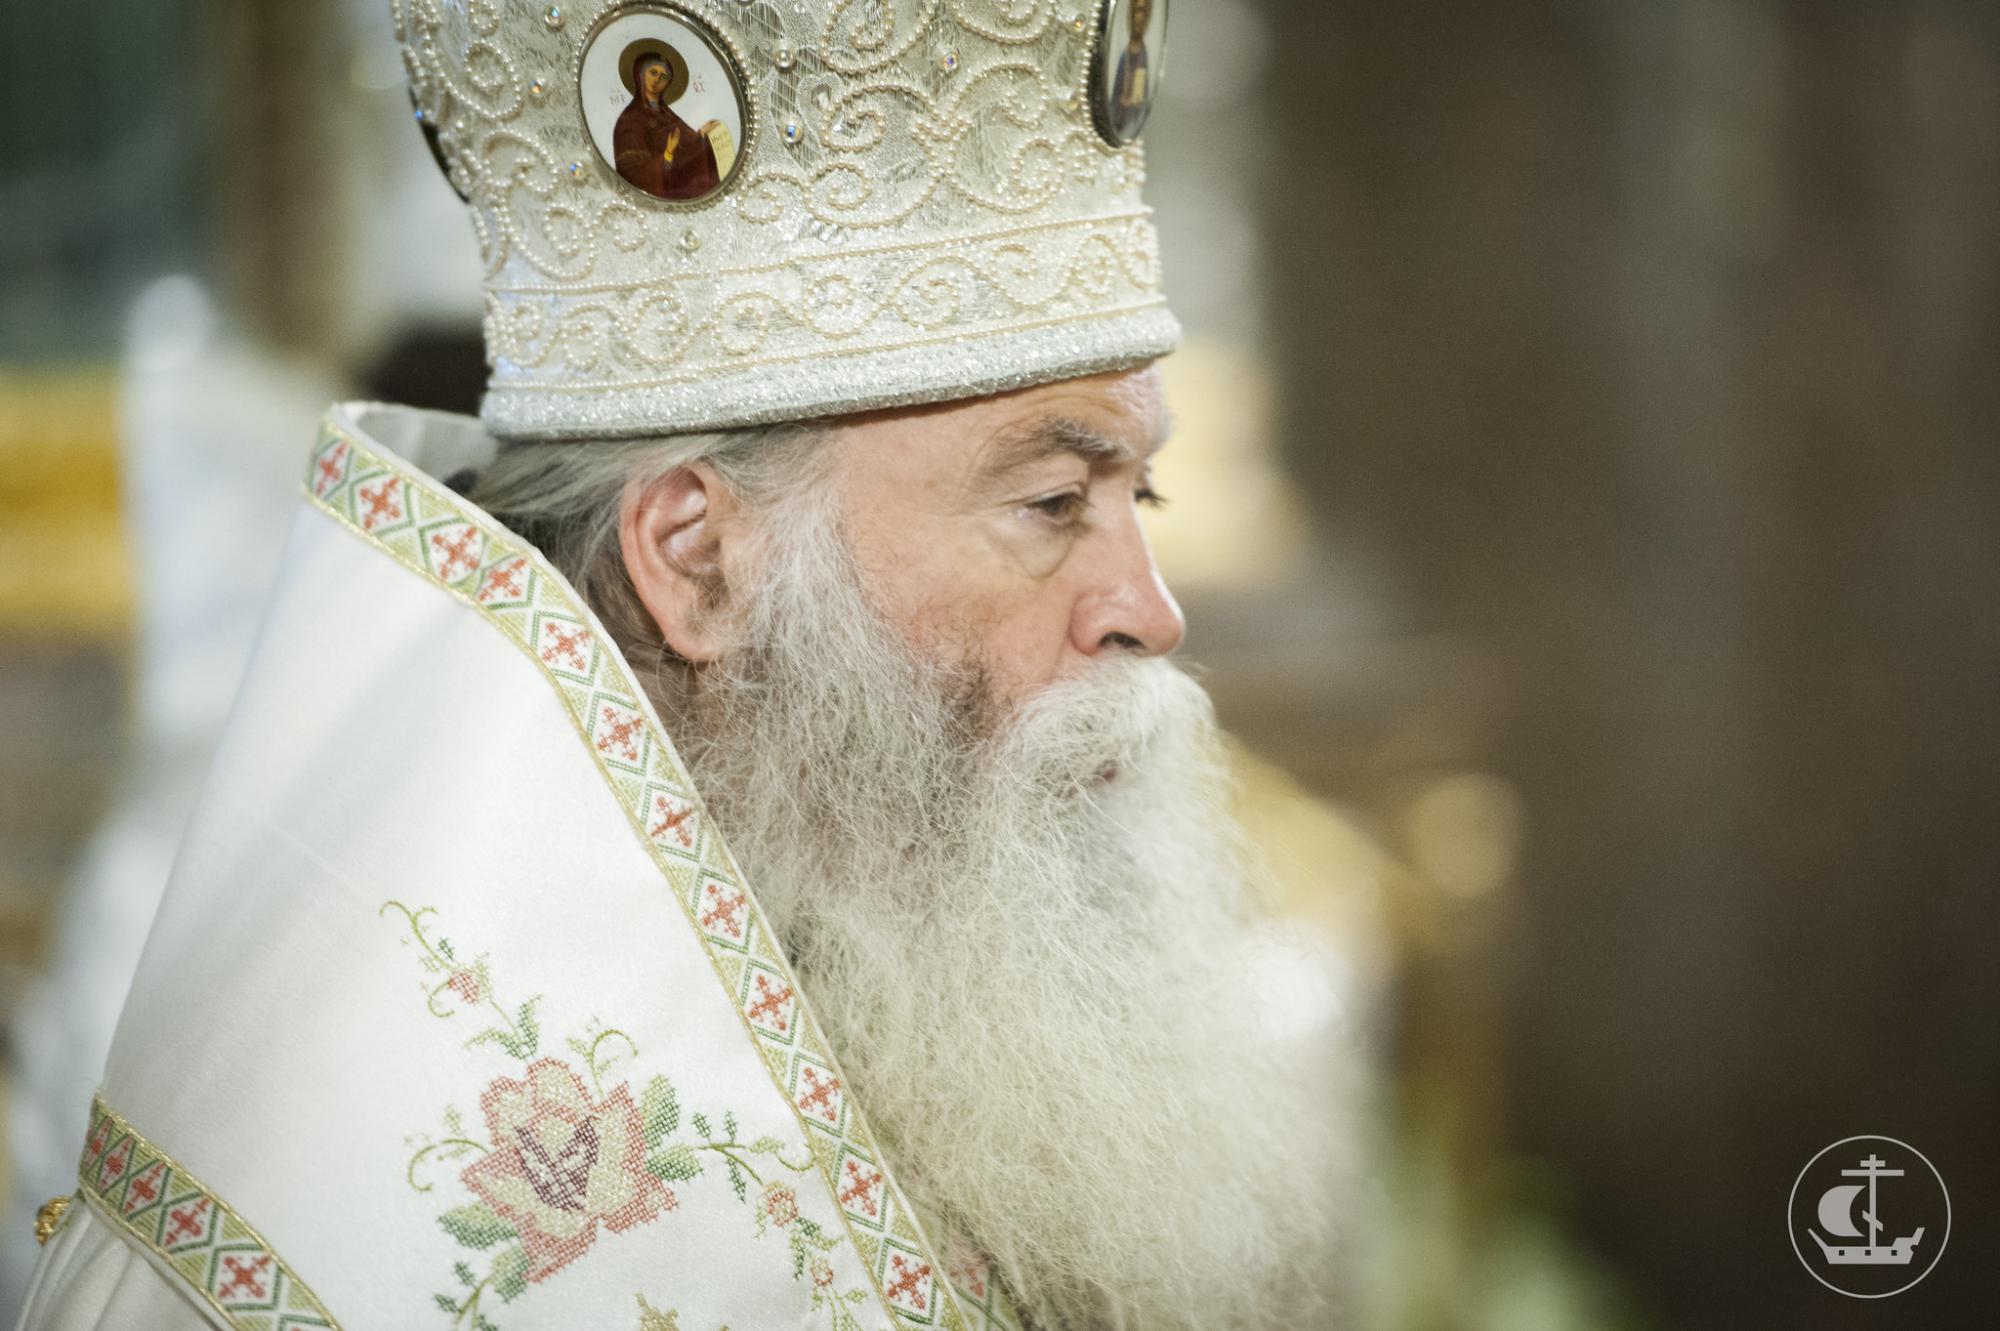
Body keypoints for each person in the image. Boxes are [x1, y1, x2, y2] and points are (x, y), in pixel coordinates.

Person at [16, 3, 1354, 1329]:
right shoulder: (347, 1204)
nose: (1147, 609)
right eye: (1055, 503)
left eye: (1144, 500)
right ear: (700, 558)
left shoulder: (943, 972)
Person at [612, 50, 722, 201]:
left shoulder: (667, 115)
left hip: (679, 191)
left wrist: (701, 135)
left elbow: (688, 149)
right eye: (653, 72)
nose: (657, 80)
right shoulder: (629, 120)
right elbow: (632, 173)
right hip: (656, 200)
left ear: (667, 83)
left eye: (663, 77)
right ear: (641, 74)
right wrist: (668, 154)